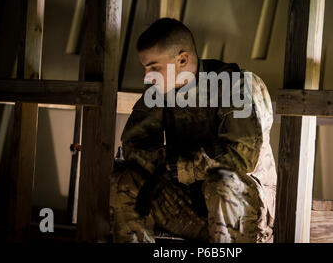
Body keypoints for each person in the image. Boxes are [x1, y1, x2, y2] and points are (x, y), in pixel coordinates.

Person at [110, 18, 277, 243]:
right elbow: (134, 143)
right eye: (145, 67)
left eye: (154, 67)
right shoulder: (160, 91)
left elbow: (241, 156)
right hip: (189, 205)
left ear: (182, 59)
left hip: (242, 211)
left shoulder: (236, 85)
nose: (146, 76)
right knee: (123, 179)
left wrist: (180, 167)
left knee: (223, 182)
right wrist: (167, 167)